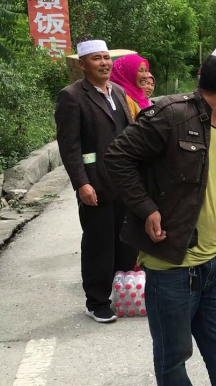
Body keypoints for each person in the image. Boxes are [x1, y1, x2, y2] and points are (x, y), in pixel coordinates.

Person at [104, 41, 216, 385]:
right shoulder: (172, 115)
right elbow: (117, 158)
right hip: (170, 268)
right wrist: (146, 208)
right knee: (173, 358)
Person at [54, 40, 137, 323]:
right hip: (96, 184)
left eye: (106, 58)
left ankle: (124, 294)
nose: (104, 63)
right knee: (99, 245)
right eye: (96, 59)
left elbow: (130, 136)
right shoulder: (72, 96)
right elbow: (70, 145)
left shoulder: (119, 92)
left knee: (126, 242)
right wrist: (81, 183)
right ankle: (97, 301)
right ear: (82, 64)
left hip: (125, 183)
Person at [110, 54, 151, 121]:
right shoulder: (124, 99)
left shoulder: (141, 97)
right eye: (140, 70)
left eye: (146, 70)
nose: (145, 76)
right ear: (128, 73)